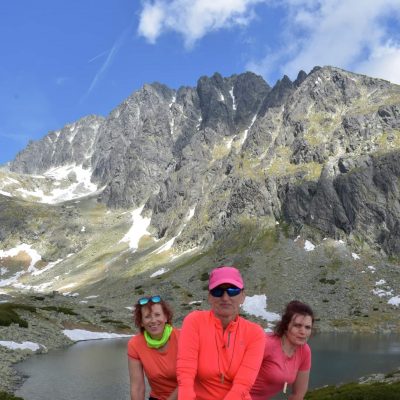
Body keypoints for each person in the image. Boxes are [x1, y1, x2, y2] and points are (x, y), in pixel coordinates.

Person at [177, 265, 265, 400]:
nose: (225, 297)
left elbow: (243, 385)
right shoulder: (194, 321)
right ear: (209, 297)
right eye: (218, 291)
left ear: (243, 296)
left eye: (232, 290)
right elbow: (185, 373)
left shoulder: (255, 334)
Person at [250, 300, 314, 400]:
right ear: (285, 326)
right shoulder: (266, 343)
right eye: (297, 325)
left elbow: (298, 394)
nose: (303, 332)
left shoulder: (304, 351)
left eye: (307, 327)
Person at [127, 295, 179, 400]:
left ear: (166, 317)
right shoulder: (135, 344)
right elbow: (137, 387)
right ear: (141, 322)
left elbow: (190, 381)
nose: (153, 320)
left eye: (157, 315)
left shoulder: (183, 337)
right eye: (147, 316)